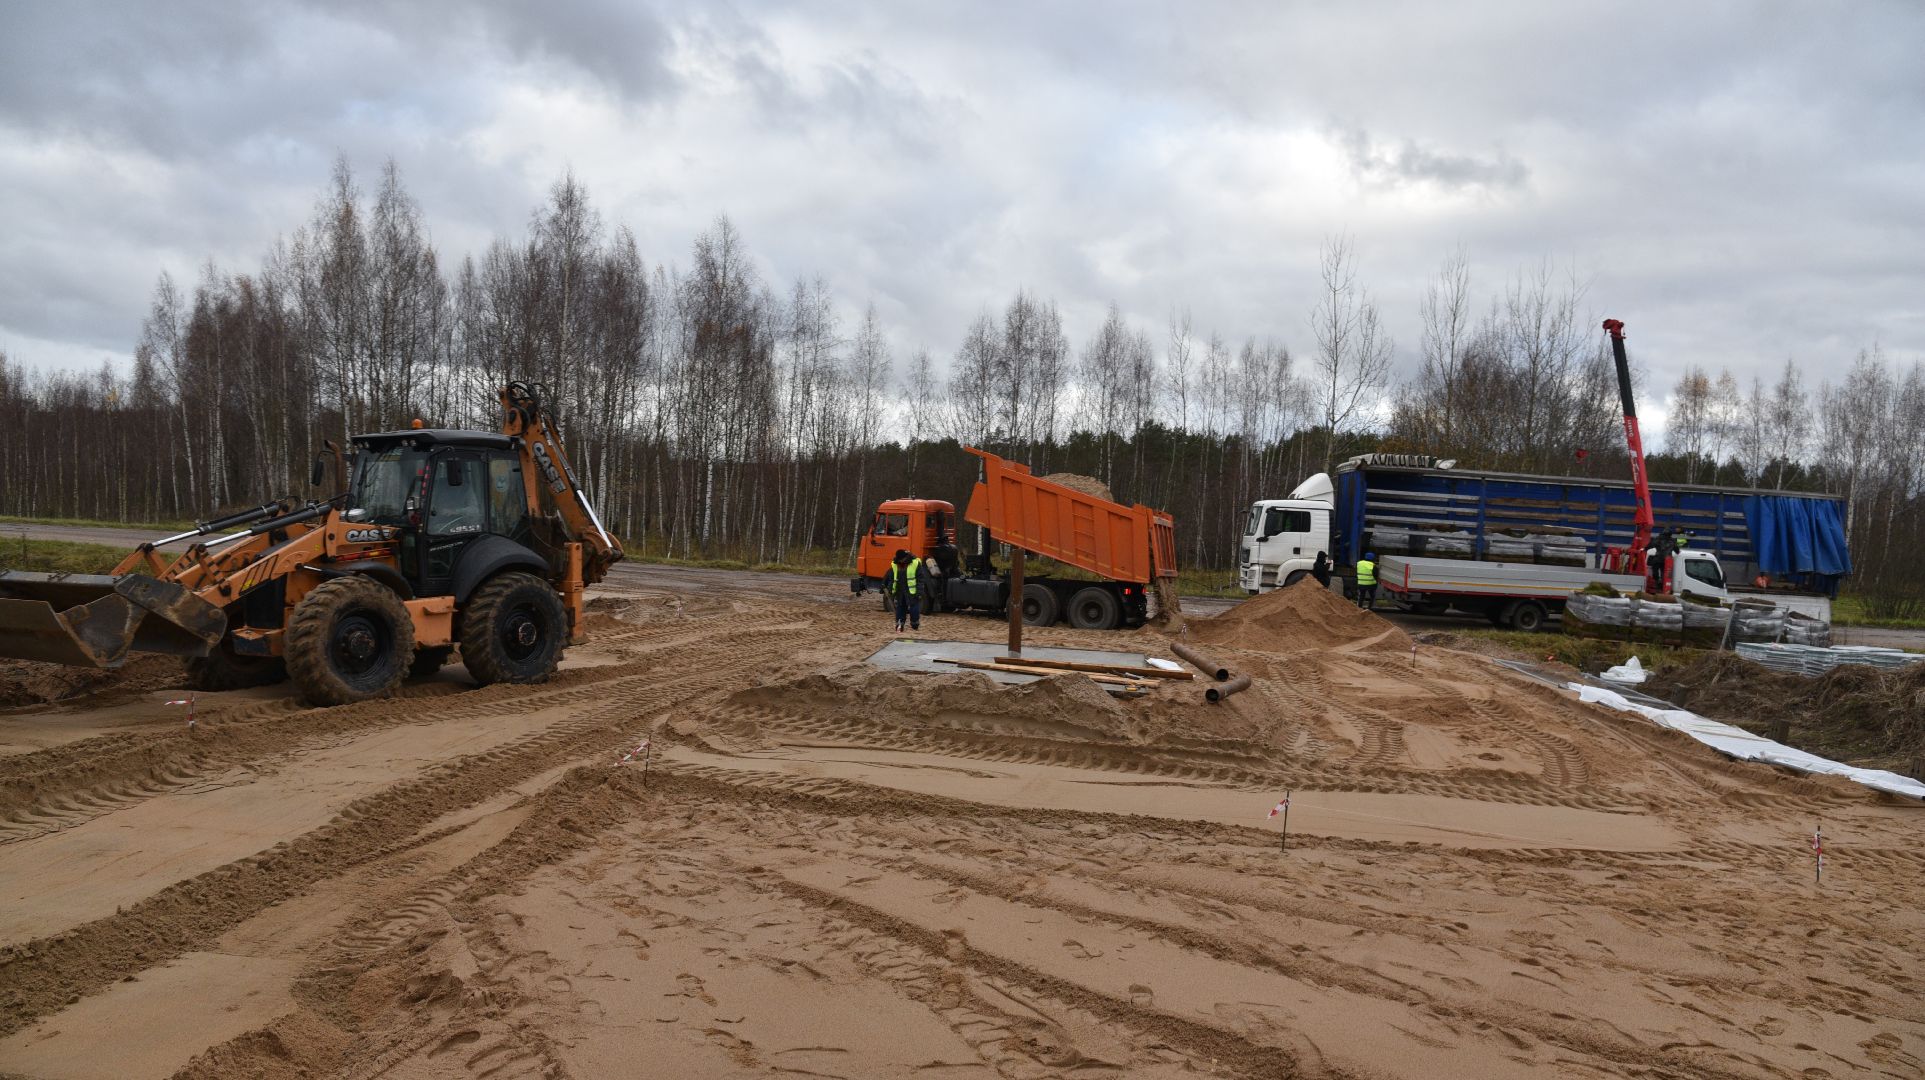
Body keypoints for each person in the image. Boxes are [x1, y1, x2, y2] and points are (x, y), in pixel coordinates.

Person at [887, 548, 926, 632]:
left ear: (906, 557)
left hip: (912, 591)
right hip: (899, 590)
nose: (900, 561)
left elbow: (921, 579)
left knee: (914, 608)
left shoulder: (915, 563)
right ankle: (900, 624)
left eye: (902, 559)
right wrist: (889, 588)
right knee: (900, 607)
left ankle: (914, 623)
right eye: (899, 560)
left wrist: (919, 592)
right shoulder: (895, 563)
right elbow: (890, 577)